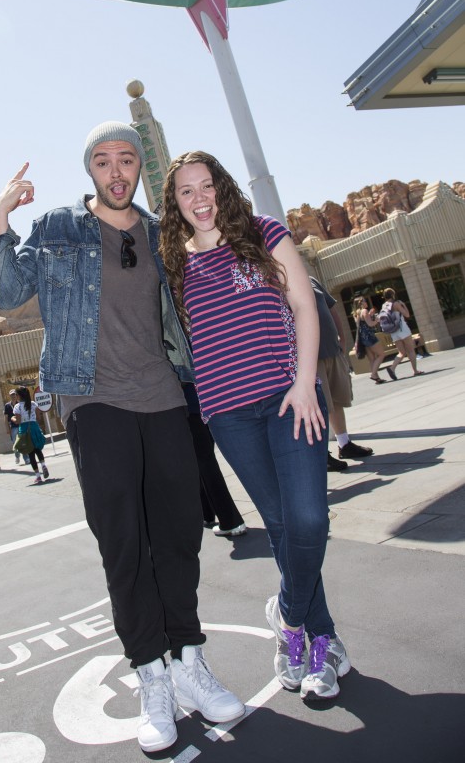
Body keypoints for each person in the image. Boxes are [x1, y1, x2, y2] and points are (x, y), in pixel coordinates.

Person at [0, 123, 244, 753]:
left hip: (161, 393)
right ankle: (151, 674)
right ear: (90, 171)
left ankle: (188, 660)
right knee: (123, 539)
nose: (116, 170)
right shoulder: (57, 227)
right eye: (103, 161)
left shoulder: (164, 236)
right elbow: (12, 289)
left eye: (126, 159)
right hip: (90, 395)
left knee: (180, 531)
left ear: (138, 170)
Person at [159, 150, 350, 703]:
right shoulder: (175, 261)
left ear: (222, 187)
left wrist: (304, 380)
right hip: (230, 414)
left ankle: (288, 615)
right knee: (284, 529)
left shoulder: (263, 234)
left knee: (310, 519)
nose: (199, 199)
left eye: (207, 186)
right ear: (174, 204)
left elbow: (304, 307)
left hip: (291, 399)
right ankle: (321, 645)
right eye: (186, 191)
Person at [310, 278, 374, 471]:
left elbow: (332, 309)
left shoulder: (311, 280)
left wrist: (343, 338)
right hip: (312, 358)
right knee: (320, 407)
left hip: (332, 350)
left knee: (338, 399)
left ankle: (344, 444)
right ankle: (321, 455)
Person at [183, 384, 247, 537]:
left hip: (189, 402)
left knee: (204, 459)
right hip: (202, 398)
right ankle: (207, 513)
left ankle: (231, 521)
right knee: (202, 457)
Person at [380, 288, 426, 377]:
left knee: (401, 352)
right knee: (410, 350)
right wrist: (403, 305)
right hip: (402, 329)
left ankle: (392, 368)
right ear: (392, 295)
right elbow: (407, 314)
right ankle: (415, 371)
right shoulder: (396, 304)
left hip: (393, 332)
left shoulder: (384, 306)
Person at [352, 297, 396, 384]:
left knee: (372, 358)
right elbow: (370, 324)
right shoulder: (364, 311)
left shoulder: (356, 313)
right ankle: (373, 374)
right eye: (364, 301)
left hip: (363, 338)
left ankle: (376, 378)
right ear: (361, 303)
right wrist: (377, 320)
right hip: (370, 336)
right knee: (381, 354)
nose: (366, 302)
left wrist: (370, 315)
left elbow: (361, 324)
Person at [12, 387, 49, 484]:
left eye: (16, 394)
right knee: (37, 449)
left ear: (19, 396)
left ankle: (38, 476)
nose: (15, 396)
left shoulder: (17, 407)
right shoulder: (33, 404)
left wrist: (12, 419)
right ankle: (43, 465)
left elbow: (18, 421)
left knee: (30, 452)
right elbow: (38, 418)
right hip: (34, 427)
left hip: (24, 429)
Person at [4, 390, 28, 465]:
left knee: (23, 442)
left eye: (14, 394)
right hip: (13, 427)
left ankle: (26, 458)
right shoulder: (7, 406)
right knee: (16, 443)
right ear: (10, 396)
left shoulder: (20, 404)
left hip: (21, 425)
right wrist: (7, 428)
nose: (13, 396)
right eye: (12, 395)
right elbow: (5, 417)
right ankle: (17, 456)